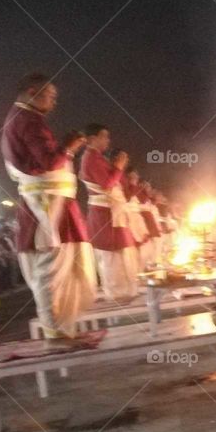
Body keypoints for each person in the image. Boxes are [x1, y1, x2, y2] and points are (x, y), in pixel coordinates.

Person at [0, 73, 96, 346]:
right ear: (32, 91)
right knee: (51, 270)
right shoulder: (28, 120)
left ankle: (61, 328)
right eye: (51, 96)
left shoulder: (22, 118)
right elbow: (48, 161)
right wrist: (69, 147)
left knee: (61, 266)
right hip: (47, 207)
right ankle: (55, 332)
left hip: (51, 203)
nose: (54, 103)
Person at [79, 127, 138, 301]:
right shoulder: (90, 158)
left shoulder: (100, 160)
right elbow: (106, 184)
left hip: (115, 214)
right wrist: (118, 168)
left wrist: (122, 172)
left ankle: (127, 291)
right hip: (105, 215)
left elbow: (123, 193)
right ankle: (117, 296)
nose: (107, 141)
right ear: (91, 138)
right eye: (104, 137)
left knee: (123, 255)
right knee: (111, 258)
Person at [123, 168, 152, 268]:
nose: (135, 178)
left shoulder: (136, 189)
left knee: (145, 249)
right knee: (133, 251)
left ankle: (141, 270)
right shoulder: (126, 187)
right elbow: (128, 196)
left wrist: (145, 190)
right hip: (129, 221)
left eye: (136, 176)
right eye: (132, 176)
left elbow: (143, 200)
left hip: (138, 222)